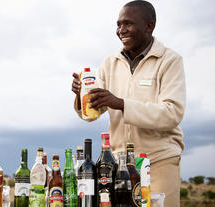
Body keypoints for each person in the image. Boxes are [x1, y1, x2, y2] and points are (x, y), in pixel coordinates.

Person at [71, 1, 186, 206]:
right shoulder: (109, 63)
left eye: (128, 24)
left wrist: (122, 104)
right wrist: (82, 96)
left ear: (148, 26)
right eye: (118, 24)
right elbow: (93, 112)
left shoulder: (169, 60)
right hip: (120, 166)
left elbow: (172, 113)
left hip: (159, 161)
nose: (121, 30)